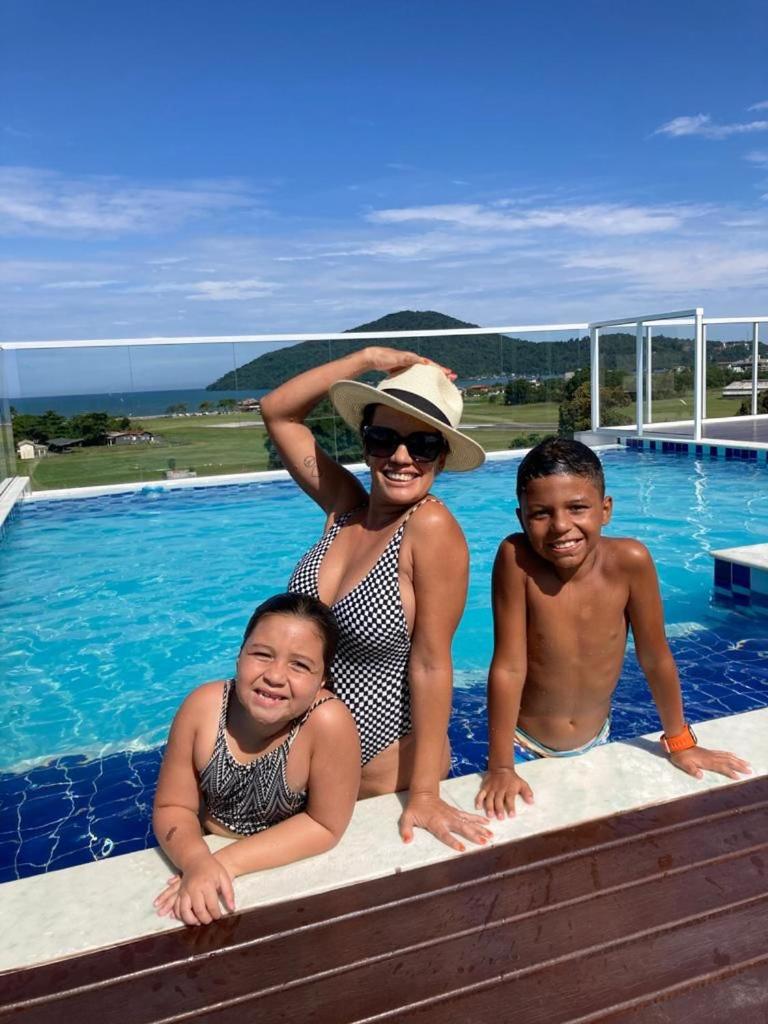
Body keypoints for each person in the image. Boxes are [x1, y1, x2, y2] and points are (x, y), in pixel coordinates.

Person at [260, 348, 492, 852]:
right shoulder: (345, 508)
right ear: (365, 445)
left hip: (383, 776)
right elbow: (278, 412)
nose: (401, 458)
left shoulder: (428, 527)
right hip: (307, 766)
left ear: (442, 457)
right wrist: (368, 358)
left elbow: (432, 664)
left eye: (423, 445)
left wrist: (425, 794)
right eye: (383, 438)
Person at [476, 437, 751, 818]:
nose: (561, 526)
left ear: (605, 509)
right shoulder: (516, 559)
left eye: (577, 508)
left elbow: (655, 657)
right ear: (521, 518)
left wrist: (680, 741)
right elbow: (509, 666)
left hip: (597, 737)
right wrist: (501, 766)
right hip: (523, 744)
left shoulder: (630, 562)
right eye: (540, 513)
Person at [152, 592, 360, 926]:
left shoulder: (327, 723)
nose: (275, 676)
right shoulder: (203, 708)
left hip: (282, 867)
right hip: (206, 844)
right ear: (239, 657)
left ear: (322, 679)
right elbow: (172, 806)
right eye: (262, 654)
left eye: (300, 665)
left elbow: (325, 825)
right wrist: (195, 859)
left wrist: (222, 863)